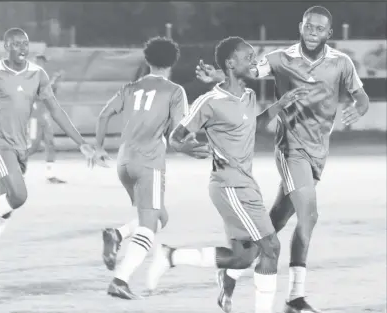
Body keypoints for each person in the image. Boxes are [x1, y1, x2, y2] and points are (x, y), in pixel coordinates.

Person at [195, 6, 370, 313]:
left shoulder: (341, 63)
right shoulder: (280, 58)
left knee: (276, 221)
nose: (313, 32)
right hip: (292, 148)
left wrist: (361, 106)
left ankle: (232, 270)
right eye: (308, 26)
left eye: (319, 28)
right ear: (300, 26)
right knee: (309, 216)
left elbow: (361, 94)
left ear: (329, 33)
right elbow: (246, 71)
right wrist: (219, 75)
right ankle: (295, 297)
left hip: (318, 152)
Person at [147, 36, 308, 313]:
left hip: (246, 183)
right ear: (231, 63)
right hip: (228, 185)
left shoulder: (248, 95)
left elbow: (252, 124)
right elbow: (176, 136)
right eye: (248, 57)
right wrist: (187, 149)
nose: (254, 62)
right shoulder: (209, 101)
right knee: (270, 246)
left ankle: (171, 256)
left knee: (243, 257)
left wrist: (281, 105)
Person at [0, 28, 99, 274]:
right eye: (17, 44)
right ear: (6, 46)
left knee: (6, 204)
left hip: (20, 147)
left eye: (26, 44)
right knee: (19, 196)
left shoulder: (37, 74)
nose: (22, 48)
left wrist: (80, 141)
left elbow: (56, 110)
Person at [94, 36, 210, 299]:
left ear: (147, 60)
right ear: (173, 62)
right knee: (149, 225)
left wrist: (99, 148)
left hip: (124, 162)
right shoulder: (174, 91)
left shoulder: (130, 87)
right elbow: (178, 134)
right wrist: (189, 148)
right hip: (149, 163)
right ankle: (120, 280)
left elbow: (103, 115)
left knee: (160, 217)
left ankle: (117, 234)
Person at [28, 54, 66, 184]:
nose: (43, 64)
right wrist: (55, 80)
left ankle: (50, 175)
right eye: (41, 61)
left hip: (44, 116)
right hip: (34, 117)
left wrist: (56, 83)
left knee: (50, 144)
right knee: (33, 147)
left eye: (44, 62)